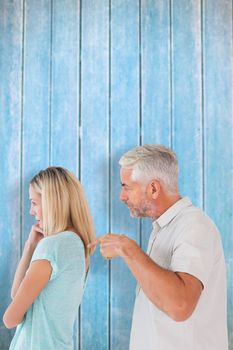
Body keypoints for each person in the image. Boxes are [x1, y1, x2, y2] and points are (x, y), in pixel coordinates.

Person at [89, 144, 228, 350]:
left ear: (154, 188)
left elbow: (180, 305)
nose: (121, 196)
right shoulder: (163, 230)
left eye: (126, 186)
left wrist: (127, 248)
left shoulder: (194, 226)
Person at [3, 166, 96, 350]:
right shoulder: (80, 247)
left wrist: (35, 247)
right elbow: (18, 295)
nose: (31, 211)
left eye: (34, 203)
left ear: (52, 202)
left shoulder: (53, 246)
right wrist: (31, 246)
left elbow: (10, 319)